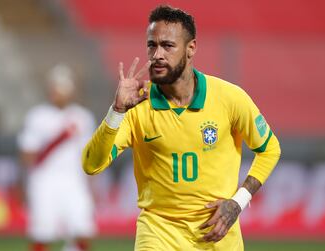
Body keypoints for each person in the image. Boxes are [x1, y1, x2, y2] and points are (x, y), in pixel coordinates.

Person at [83, 5, 281, 251]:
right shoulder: (137, 105)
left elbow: (270, 149)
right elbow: (91, 165)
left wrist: (238, 202)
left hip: (217, 234)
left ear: (191, 49)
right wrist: (116, 111)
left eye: (167, 46)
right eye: (151, 45)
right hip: (158, 232)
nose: (157, 55)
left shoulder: (229, 98)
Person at [18, 64, 96, 251]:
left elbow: (90, 156)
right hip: (44, 179)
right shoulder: (37, 116)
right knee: (42, 231)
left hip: (74, 178)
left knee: (82, 228)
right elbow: (27, 153)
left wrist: (92, 184)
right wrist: (24, 183)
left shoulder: (82, 117)